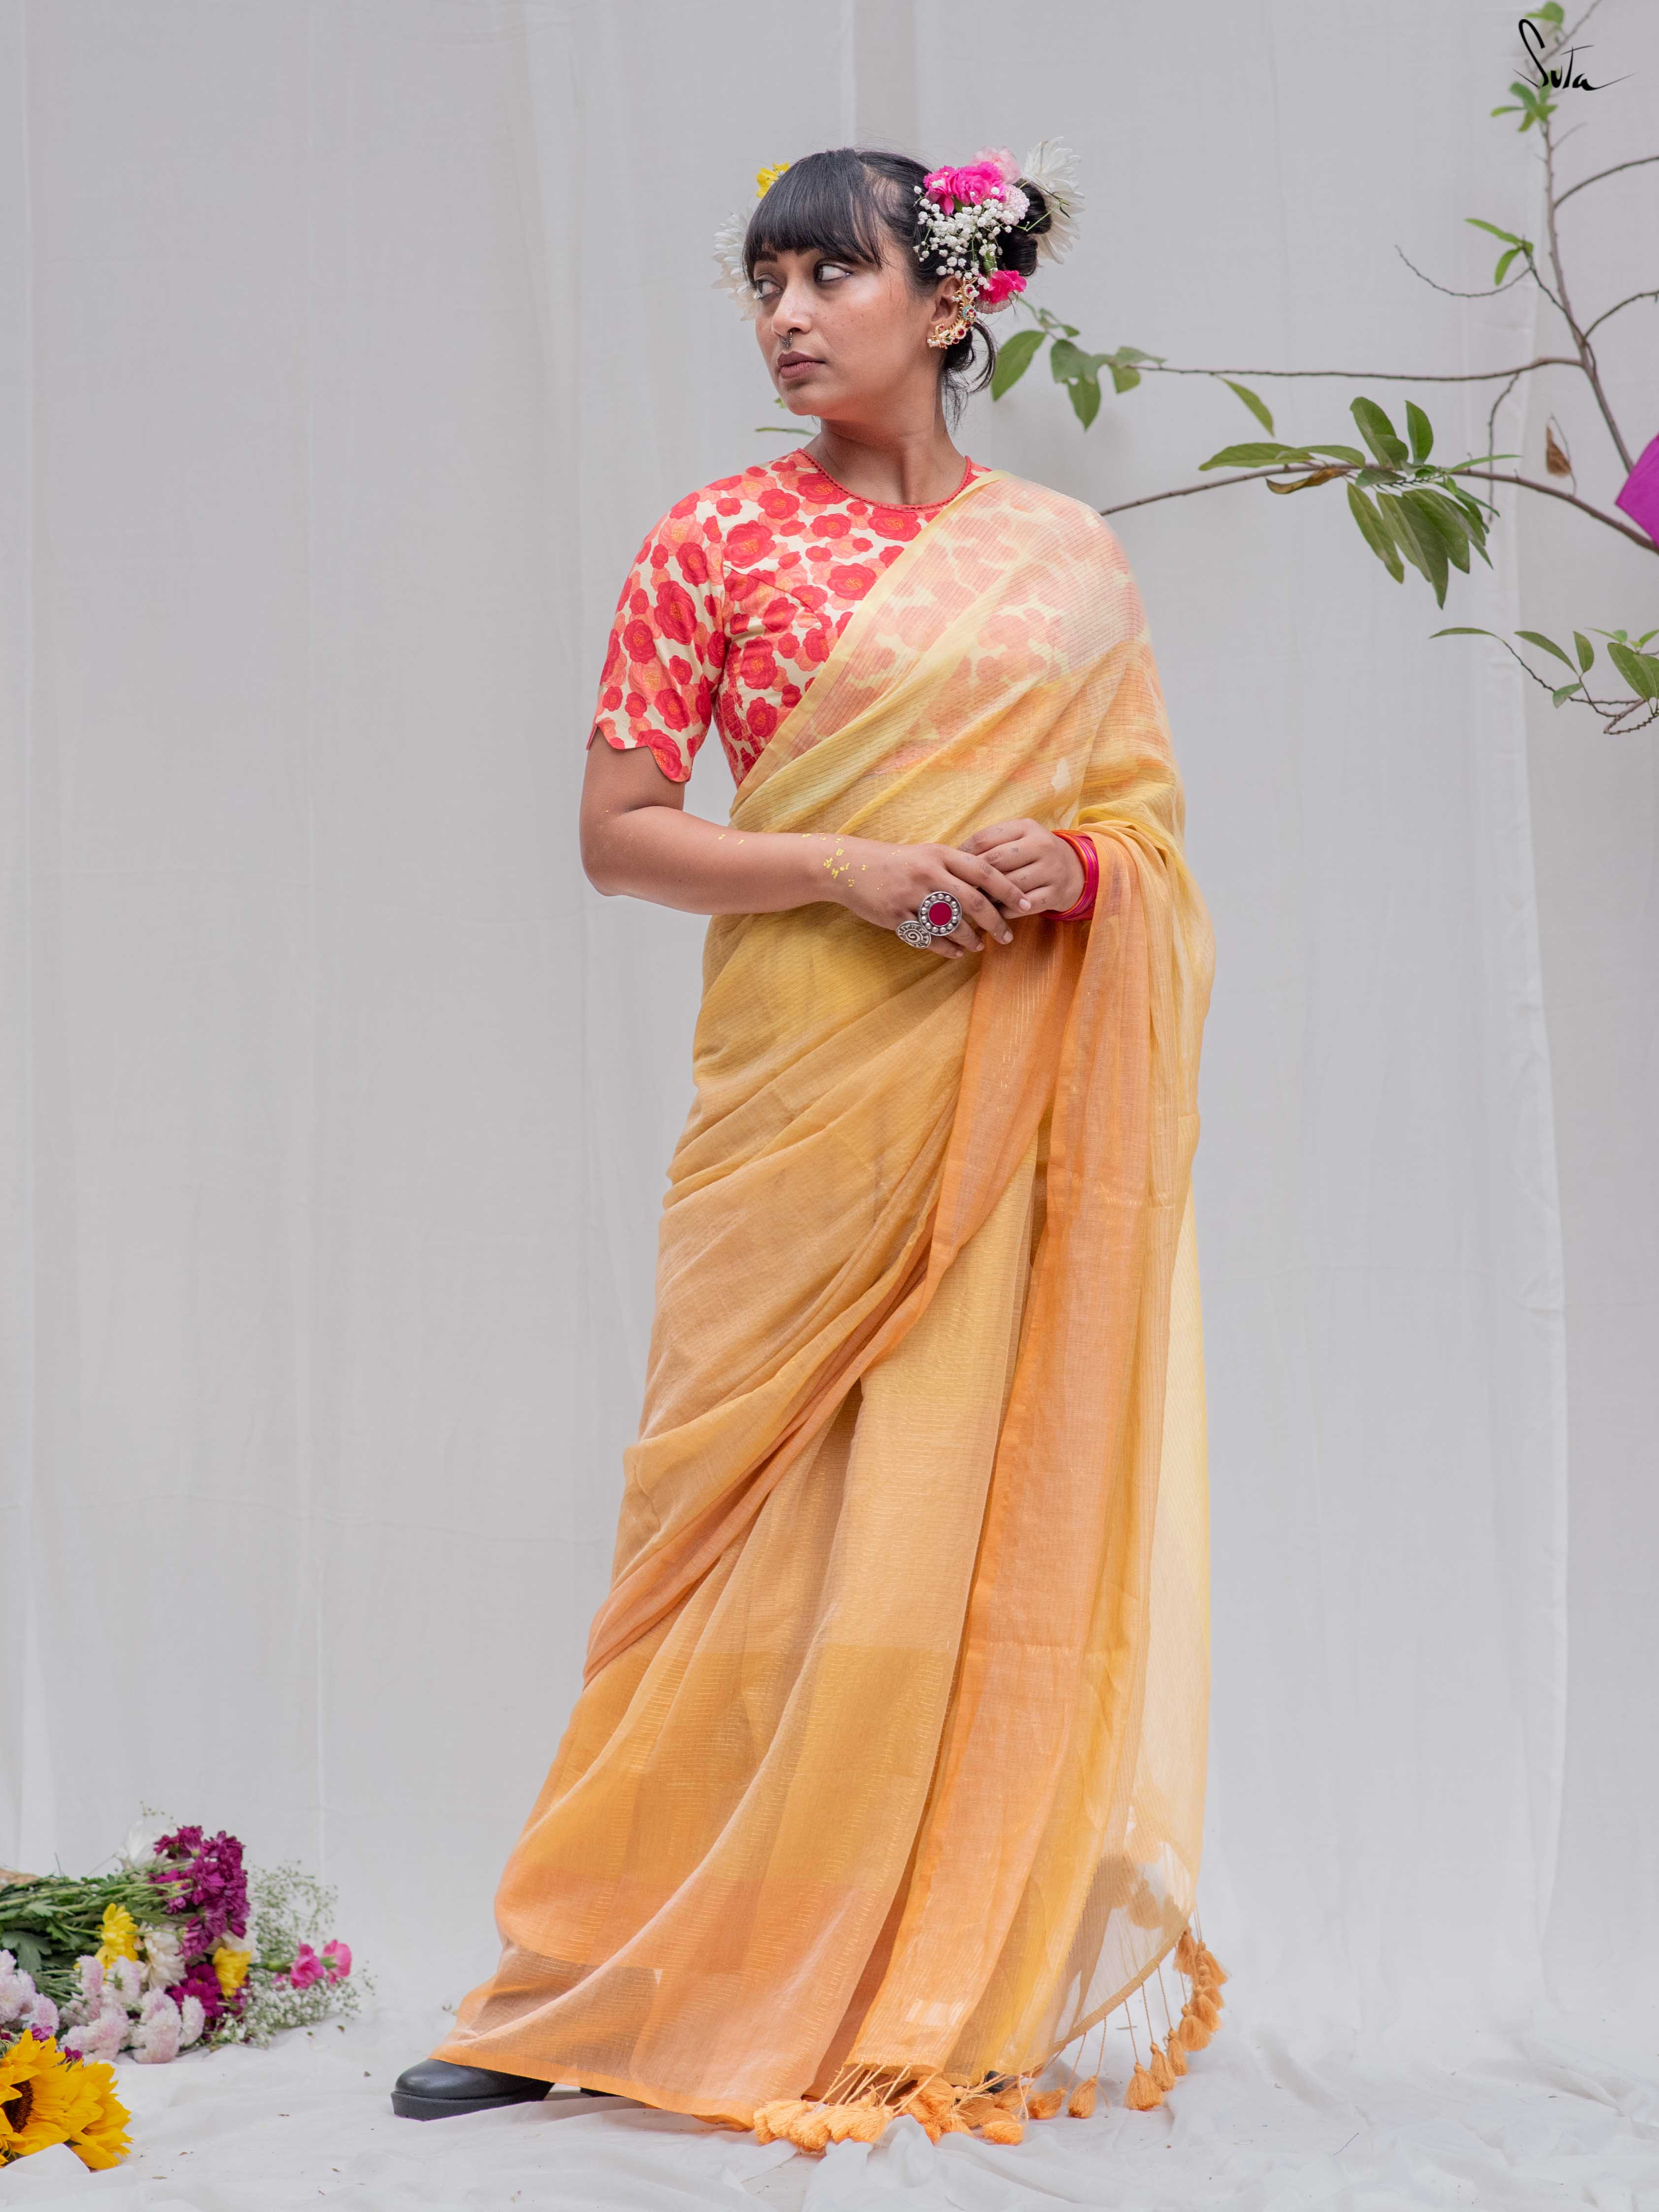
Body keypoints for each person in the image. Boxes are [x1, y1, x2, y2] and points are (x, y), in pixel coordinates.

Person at [393, 141, 1218, 2148]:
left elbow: (1144, 827)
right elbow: (620, 835)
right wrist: (854, 866)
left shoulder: (1066, 557)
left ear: (948, 300)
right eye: (763, 283)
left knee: (958, 1530)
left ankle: (925, 1967)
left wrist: (1073, 868)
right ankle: (589, 1976)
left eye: (828, 277)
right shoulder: (712, 541)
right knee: (713, 1536)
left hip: (998, 1106)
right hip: (798, 1095)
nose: (783, 317)